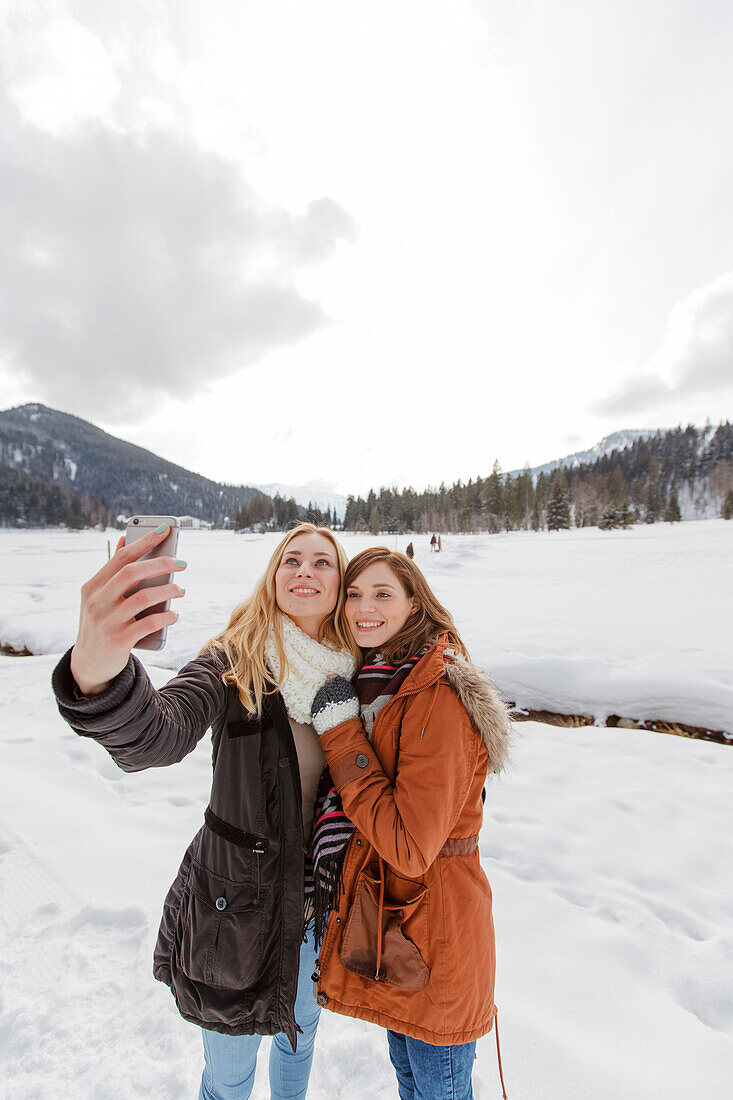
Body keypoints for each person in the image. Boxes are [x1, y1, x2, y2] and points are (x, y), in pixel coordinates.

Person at [51, 522, 360, 1100]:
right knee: (229, 1075)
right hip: (235, 912)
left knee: (301, 1036)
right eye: (292, 559)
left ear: (341, 584)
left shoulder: (356, 673)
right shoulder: (235, 657)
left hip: (316, 908)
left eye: (323, 562)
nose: (305, 571)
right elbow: (159, 733)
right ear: (273, 575)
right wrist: (99, 671)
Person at [307, 547, 511, 1100]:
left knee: (438, 1088)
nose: (361, 608)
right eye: (352, 594)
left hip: (437, 931)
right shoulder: (382, 684)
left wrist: (341, 734)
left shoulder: (435, 694)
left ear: (415, 602)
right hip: (401, 930)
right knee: (412, 1083)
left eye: (382, 594)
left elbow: (408, 844)